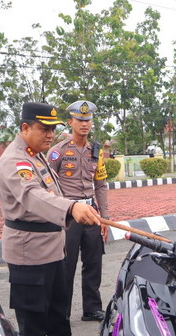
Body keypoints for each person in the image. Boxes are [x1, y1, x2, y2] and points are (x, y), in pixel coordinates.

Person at [0, 101, 100, 336]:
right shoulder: (14, 160)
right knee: (33, 312)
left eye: (53, 129)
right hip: (29, 250)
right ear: (25, 128)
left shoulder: (36, 155)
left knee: (57, 303)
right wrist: (72, 207)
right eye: (44, 129)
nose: (50, 135)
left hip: (52, 245)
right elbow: (32, 196)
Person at [47, 100, 109, 323]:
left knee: (94, 261)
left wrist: (105, 217)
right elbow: (47, 185)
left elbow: (100, 185)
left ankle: (92, 308)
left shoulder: (96, 151)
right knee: (66, 265)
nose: (84, 124)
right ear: (71, 122)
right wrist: (58, 213)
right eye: (80, 120)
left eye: (88, 120)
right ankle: (61, 312)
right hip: (69, 214)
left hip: (91, 211)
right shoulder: (58, 152)